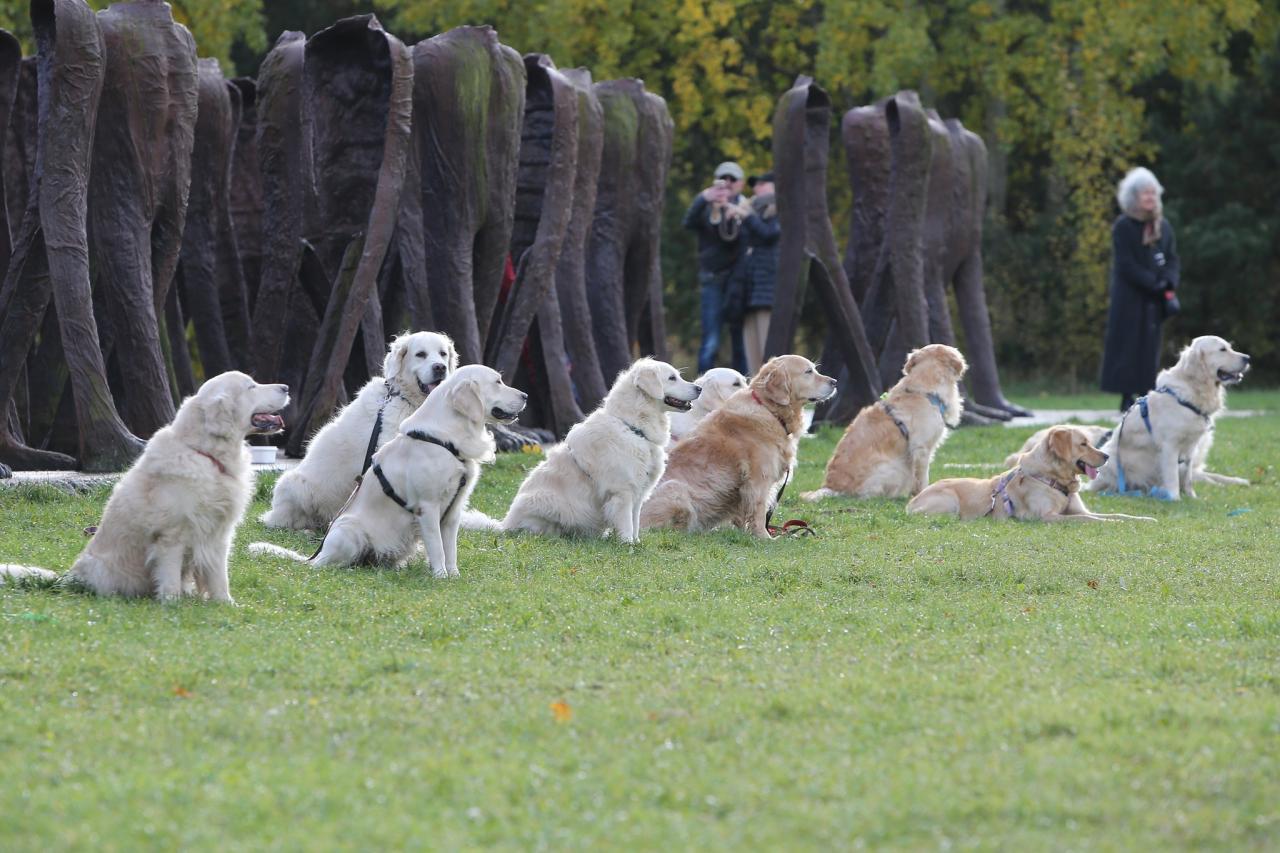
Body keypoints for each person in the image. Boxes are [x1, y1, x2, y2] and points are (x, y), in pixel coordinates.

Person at [1099, 167, 1180, 412]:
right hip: (1130, 297)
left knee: (1149, 347)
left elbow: (1172, 258)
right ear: (1134, 196)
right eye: (1145, 193)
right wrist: (1152, 282)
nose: (1150, 198)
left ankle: (1147, 394)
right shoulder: (1124, 226)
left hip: (1154, 300)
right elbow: (1125, 264)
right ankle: (1126, 395)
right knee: (1127, 346)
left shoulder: (1162, 226)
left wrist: (1168, 282)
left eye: (1153, 193)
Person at [683, 160, 748, 374]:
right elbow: (688, 223)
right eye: (723, 179)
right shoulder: (705, 207)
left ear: (740, 183)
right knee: (710, 339)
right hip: (712, 279)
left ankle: (744, 385)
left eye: (732, 179)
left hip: (739, 281)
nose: (727, 183)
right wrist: (703, 198)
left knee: (740, 338)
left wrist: (734, 211)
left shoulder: (746, 207)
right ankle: (703, 384)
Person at [738, 172, 779, 374]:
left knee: (768, 349)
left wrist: (747, 217)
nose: (758, 187)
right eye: (756, 184)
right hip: (749, 288)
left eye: (764, 183)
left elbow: (769, 234)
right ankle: (756, 385)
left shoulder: (781, 210)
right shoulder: (750, 212)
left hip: (768, 289)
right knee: (751, 350)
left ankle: (772, 385)